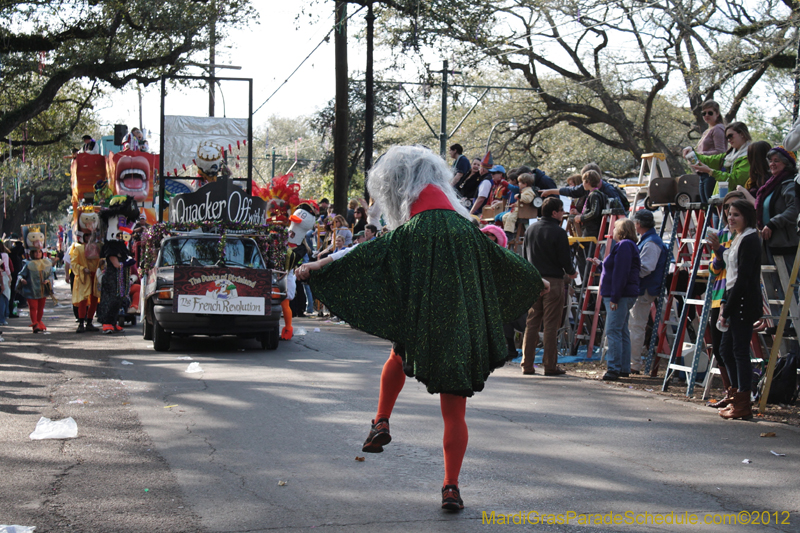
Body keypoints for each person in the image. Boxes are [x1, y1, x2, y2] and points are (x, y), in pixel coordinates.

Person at [294, 145, 545, 511]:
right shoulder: (467, 230)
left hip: (418, 325)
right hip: (458, 331)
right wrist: (537, 281)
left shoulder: (410, 230)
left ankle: (381, 419)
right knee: (454, 413)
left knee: (398, 352)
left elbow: (366, 255)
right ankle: (450, 486)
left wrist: (319, 267)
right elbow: (505, 260)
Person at [521, 197, 577, 376]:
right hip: (553, 281)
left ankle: (527, 364)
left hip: (533, 280)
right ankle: (549, 365)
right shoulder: (559, 232)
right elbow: (564, 259)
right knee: (551, 325)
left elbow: (523, 255)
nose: (563, 214)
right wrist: (572, 272)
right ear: (554, 213)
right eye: (561, 210)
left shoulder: (531, 229)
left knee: (532, 323)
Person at [717, 199, 762, 419]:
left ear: (746, 216)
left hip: (744, 300)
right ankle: (734, 395)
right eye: (729, 214)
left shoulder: (751, 238)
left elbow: (744, 277)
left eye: (736, 215)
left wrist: (729, 307)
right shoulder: (737, 237)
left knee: (740, 351)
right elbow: (730, 272)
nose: (731, 218)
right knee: (726, 350)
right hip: (733, 295)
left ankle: (743, 403)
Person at [706, 191, 747, 408]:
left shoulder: (746, 236)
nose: (730, 216)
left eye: (735, 210)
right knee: (720, 348)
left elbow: (739, 265)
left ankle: (741, 394)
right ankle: (729, 391)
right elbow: (713, 268)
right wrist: (718, 254)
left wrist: (721, 252)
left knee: (734, 348)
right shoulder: (721, 234)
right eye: (727, 210)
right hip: (718, 296)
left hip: (735, 297)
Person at [592, 219, 640, 381]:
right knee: (621, 330)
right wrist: (601, 265)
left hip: (620, 295)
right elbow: (617, 269)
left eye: (615, 227)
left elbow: (621, 272)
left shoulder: (624, 245)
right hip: (624, 294)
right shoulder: (627, 246)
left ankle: (614, 368)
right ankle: (623, 367)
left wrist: (615, 297)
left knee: (613, 331)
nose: (612, 229)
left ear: (621, 230)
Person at [627, 210, 668, 374]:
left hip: (643, 290)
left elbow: (645, 268)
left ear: (638, 224)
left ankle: (633, 364)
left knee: (636, 327)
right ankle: (632, 362)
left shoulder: (651, 243)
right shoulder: (649, 240)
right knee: (635, 326)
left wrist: (627, 273)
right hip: (643, 288)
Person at [687, 121, 751, 193]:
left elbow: (735, 180)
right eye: (726, 138)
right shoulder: (728, 155)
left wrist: (710, 171)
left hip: (736, 201)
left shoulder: (749, 157)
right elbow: (708, 160)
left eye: (730, 136)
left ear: (742, 134)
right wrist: (691, 152)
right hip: (720, 199)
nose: (729, 140)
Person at [689, 100, 727, 204]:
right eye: (704, 113)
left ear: (717, 114)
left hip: (711, 172)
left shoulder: (718, 129)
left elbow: (721, 152)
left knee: (712, 207)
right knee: (706, 206)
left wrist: (700, 155)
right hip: (703, 173)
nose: (706, 115)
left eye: (710, 113)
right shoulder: (708, 130)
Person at [97, 240, 131, 334]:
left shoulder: (121, 251)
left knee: (118, 301)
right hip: (111, 280)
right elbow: (117, 265)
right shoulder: (111, 251)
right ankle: (106, 322)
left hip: (119, 280)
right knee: (110, 301)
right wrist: (127, 263)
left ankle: (113, 322)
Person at [16, 247, 53, 333]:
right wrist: (22, 279)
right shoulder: (28, 264)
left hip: (42, 290)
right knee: (33, 308)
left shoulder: (46, 263)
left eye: (39, 252)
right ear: (32, 253)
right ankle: (35, 325)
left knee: (40, 308)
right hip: (31, 290)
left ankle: (39, 322)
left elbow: (50, 275)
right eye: (35, 252)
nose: (37, 254)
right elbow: (20, 274)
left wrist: (48, 280)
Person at [70, 232, 100, 333]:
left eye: (91, 235)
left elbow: (101, 262)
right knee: (83, 300)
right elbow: (74, 263)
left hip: (95, 277)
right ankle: (81, 323)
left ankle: (90, 322)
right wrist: (82, 269)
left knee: (94, 300)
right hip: (84, 278)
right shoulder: (78, 248)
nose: (89, 237)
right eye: (87, 235)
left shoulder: (97, 248)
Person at [574, 170, 607, 239]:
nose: (582, 184)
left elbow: (594, 212)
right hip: (592, 229)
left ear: (587, 182)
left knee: (587, 247)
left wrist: (582, 218)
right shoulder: (595, 194)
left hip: (592, 230)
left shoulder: (594, 195)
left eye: (583, 182)